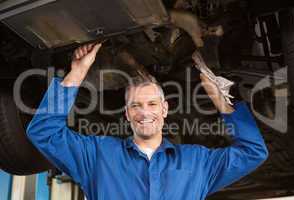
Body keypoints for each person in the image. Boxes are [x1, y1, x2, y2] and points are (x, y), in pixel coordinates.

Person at [26, 42, 268, 200]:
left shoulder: (198, 162)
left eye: (152, 104)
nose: (144, 112)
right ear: (127, 114)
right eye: (136, 106)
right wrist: (78, 72)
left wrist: (221, 102)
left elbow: (253, 152)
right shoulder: (98, 156)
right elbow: (44, 133)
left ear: (164, 109)